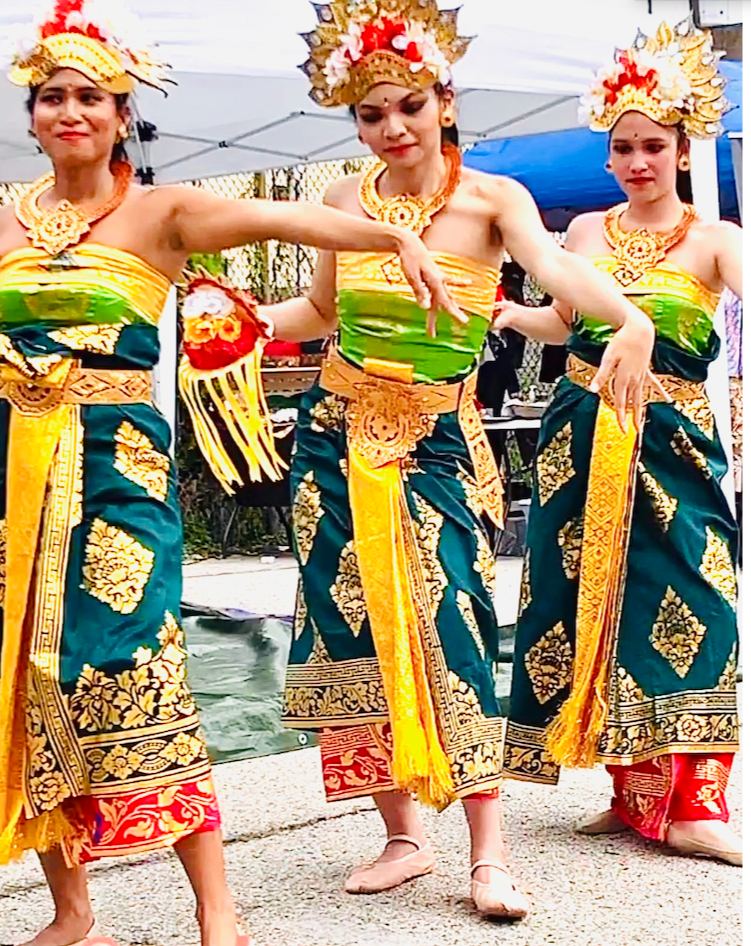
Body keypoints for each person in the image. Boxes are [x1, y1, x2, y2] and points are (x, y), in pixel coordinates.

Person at [0, 2, 467, 945]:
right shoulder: (5, 217)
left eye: (90, 95)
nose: (70, 112)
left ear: (122, 113)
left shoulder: (161, 213)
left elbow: (278, 215)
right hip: (16, 472)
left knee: (141, 669)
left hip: (117, 480)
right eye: (52, 96)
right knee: (21, 674)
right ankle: (71, 909)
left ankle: (219, 911)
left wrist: (390, 237)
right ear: (32, 113)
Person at [271, 0, 661, 920]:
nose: (391, 128)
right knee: (343, 625)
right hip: (333, 434)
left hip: (438, 440)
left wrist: (630, 318)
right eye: (370, 115)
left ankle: (488, 855)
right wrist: (224, 324)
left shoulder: (492, 200)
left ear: (442, 100)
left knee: (451, 620)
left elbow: (561, 279)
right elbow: (315, 315)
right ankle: (402, 836)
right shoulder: (341, 202)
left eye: (407, 106)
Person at [496, 19, 742, 865]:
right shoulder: (586, 235)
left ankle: (697, 804)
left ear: (680, 151)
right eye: (623, 149)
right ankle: (633, 796)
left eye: (652, 147)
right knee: (589, 603)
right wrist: (503, 314)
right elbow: (562, 324)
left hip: (674, 439)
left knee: (696, 599)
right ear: (609, 159)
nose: (637, 162)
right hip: (581, 431)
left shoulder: (717, 243)